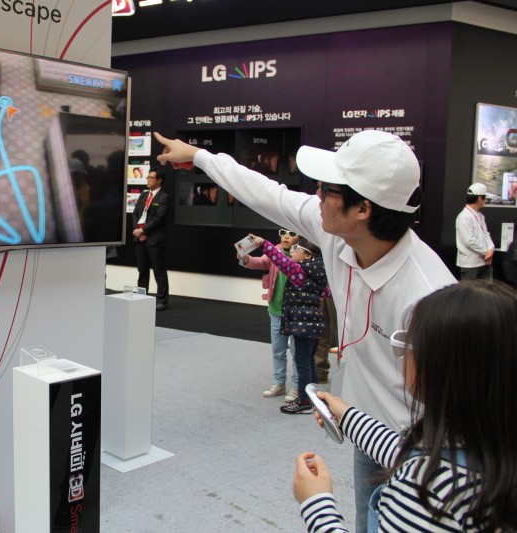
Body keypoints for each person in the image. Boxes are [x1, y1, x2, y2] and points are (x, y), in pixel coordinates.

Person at [154, 129, 457, 531]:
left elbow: (459, 406)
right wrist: (199, 156)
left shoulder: (429, 296)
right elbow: (267, 193)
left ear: (363, 208)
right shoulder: (339, 233)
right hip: (368, 432)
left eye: (326, 188)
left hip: (418, 453)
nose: (316, 195)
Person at [292, 280, 517, 532]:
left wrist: (317, 504)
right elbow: (406, 453)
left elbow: (416, 462)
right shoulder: (491, 446)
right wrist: (348, 417)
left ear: (439, 366)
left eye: (408, 342)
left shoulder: (426, 492)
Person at [251, 235, 328, 414]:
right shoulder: (319, 272)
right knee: (309, 361)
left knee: (302, 362)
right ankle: (314, 398)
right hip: (314, 324)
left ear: (307, 255)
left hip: (302, 325)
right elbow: (328, 293)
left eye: (296, 249)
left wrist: (263, 244)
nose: (292, 252)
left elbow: (280, 260)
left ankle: (304, 401)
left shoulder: (300, 272)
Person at [238, 228, 300, 401]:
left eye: (292, 234)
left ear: (300, 236)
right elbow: (259, 261)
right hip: (275, 309)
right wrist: (244, 258)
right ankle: (279, 383)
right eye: (283, 232)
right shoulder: (275, 250)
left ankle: (296, 386)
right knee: (278, 350)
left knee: (297, 353)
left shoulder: (303, 254)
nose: (286, 236)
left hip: (297, 312)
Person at [132, 167, 169, 311]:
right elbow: (135, 214)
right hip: (139, 238)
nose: (148, 180)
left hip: (154, 239)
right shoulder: (143, 195)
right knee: (142, 270)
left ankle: (162, 301)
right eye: (147, 177)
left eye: (151, 178)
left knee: (159, 271)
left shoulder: (164, 197)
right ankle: (141, 297)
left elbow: (159, 218)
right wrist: (138, 231)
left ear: (159, 180)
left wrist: (143, 231)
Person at [455, 182, 495, 280]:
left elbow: (486, 234)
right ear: (479, 198)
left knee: (487, 289)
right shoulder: (464, 217)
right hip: (470, 264)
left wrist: (491, 249)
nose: (486, 200)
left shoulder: (480, 216)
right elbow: (469, 241)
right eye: (485, 198)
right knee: (469, 289)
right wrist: (486, 252)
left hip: (484, 262)